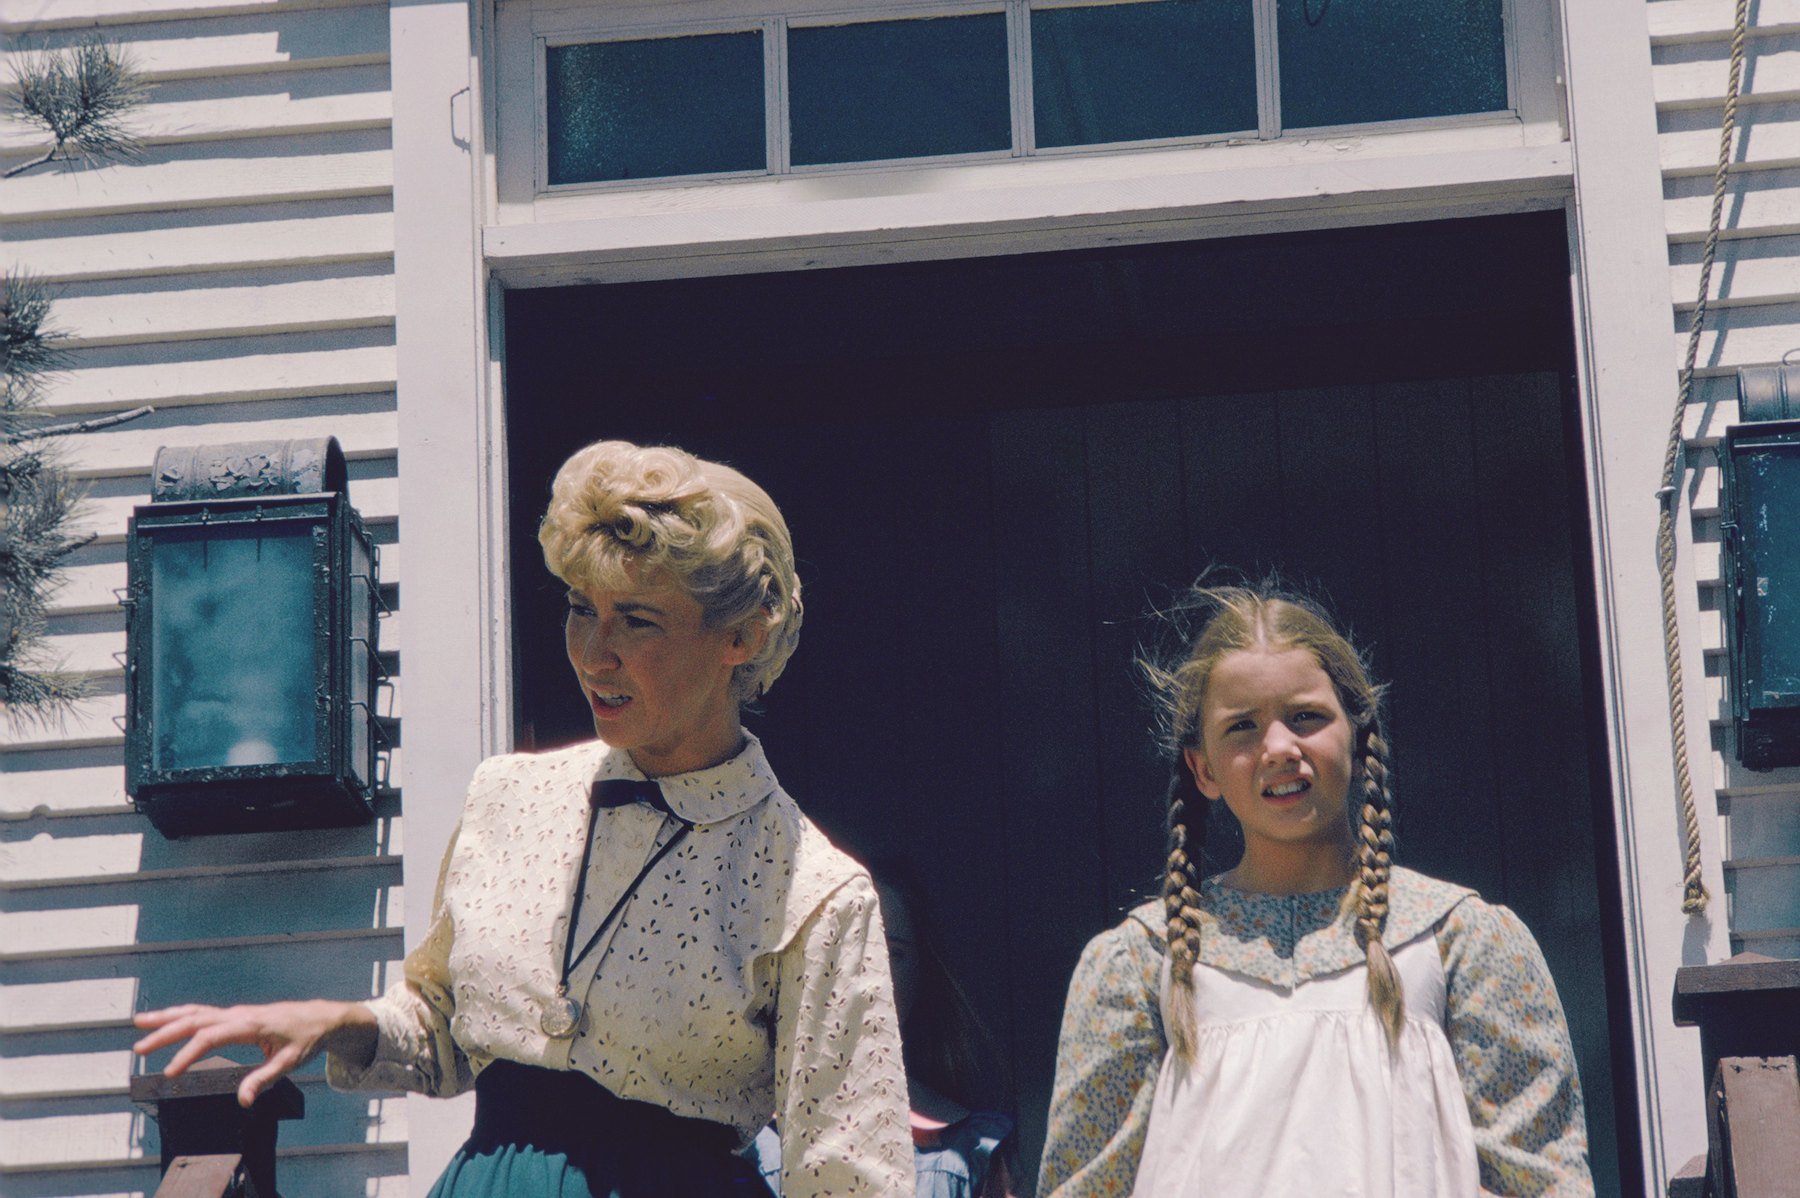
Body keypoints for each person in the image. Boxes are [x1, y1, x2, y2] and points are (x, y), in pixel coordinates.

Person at [133, 440, 914, 1198]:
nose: (593, 653)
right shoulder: (508, 797)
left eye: (637, 620)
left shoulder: (814, 891)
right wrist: (347, 1022)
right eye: (581, 609)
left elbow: (850, 1177)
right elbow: (442, 1028)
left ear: (740, 639)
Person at [1037, 582, 1593, 1198]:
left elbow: (1542, 1184)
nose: (1279, 747)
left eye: (1306, 717)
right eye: (1242, 728)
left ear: (1356, 737)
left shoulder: (1461, 941)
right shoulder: (1140, 964)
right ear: (1203, 770)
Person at [746, 864, 1018, 1198]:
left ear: (922, 974)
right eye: (846, 947)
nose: (871, 970)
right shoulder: (756, 1148)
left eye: (894, 952)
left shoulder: (971, 1152)